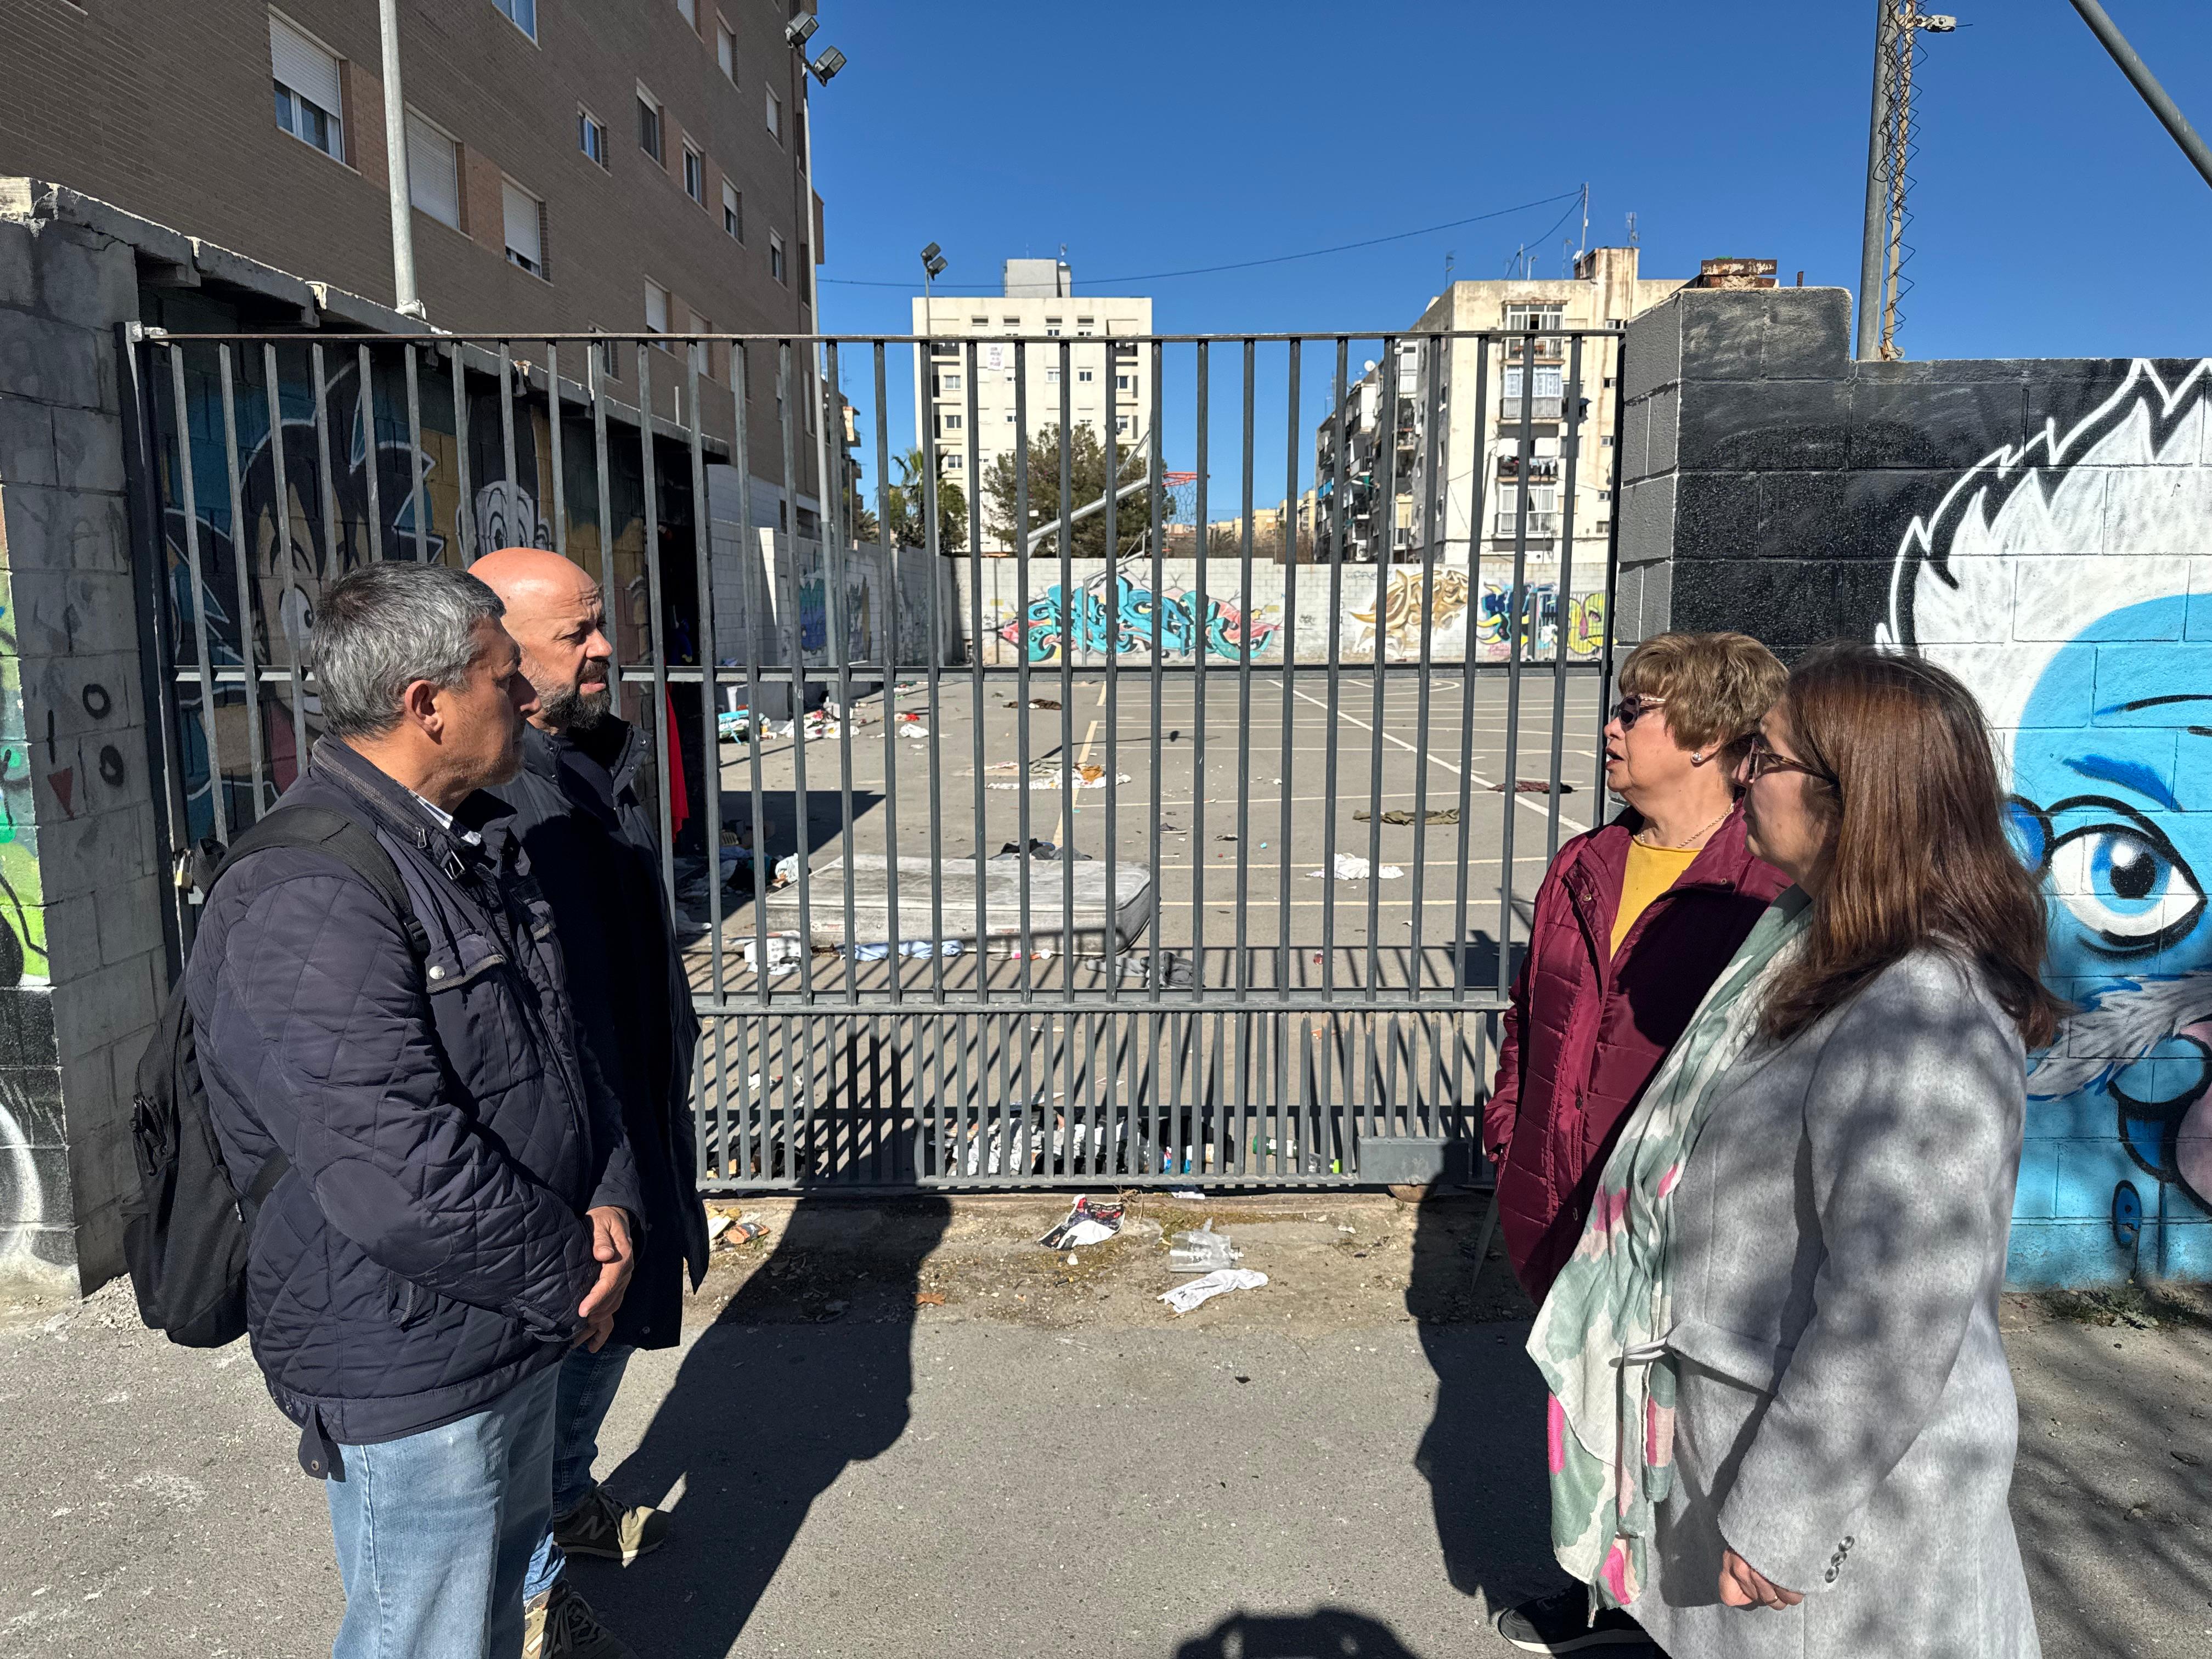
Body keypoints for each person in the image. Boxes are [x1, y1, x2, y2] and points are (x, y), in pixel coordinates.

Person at [1528, 643, 2059, 1659]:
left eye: (1763, 759)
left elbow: (1895, 1310)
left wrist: (1784, 1518)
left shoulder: (1920, 1019)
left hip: (1847, 1517)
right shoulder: (1811, 947)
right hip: (1748, 1439)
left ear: (1850, 798)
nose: (1741, 776)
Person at [187, 562, 641, 1659]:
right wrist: (567, 1270)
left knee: (483, 1619)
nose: (529, 699)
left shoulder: (459, 838)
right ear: (426, 705)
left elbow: (562, 1047)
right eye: (503, 679)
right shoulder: (308, 892)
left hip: (508, 1316)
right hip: (413, 1348)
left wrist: (611, 1194)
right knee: (426, 1637)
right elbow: (397, 1168)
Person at [1487, 631, 1789, 1654]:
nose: (1611, 727)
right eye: (1620, 709)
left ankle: (1653, 1617)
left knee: (1670, 1423)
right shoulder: (1585, 864)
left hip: (1674, 1219)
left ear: (1709, 740)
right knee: (1579, 1406)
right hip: (1557, 1191)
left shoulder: (1763, 893)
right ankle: (1590, 1598)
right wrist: (1507, 1131)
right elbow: (1531, 1023)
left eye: (1637, 713)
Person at [472, 546, 711, 1659]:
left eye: (600, 625)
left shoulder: (571, 766)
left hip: (624, 1125)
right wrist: (586, 1186)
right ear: (501, 656)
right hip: (568, 1161)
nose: (607, 648)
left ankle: (566, 1505)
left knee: (599, 1352)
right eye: (580, 634)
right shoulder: (499, 803)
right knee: (543, 1367)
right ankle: (532, 1592)